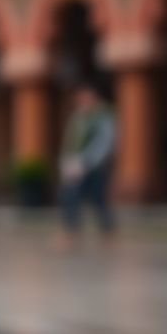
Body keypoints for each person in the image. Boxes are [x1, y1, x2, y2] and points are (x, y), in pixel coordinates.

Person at [58, 85, 117, 246]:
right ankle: (71, 233)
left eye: (86, 98)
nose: (83, 101)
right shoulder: (78, 117)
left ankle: (108, 233)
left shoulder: (103, 117)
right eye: (80, 98)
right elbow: (70, 142)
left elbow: (104, 144)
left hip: (94, 166)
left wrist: (86, 163)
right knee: (70, 197)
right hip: (75, 166)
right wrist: (66, 163)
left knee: (99, 200)